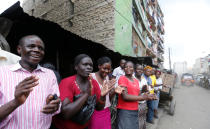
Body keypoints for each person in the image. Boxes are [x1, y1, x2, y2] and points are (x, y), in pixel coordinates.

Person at [0, 35, 61, 129]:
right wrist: (15, 102)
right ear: (19, 49)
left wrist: (55, 106)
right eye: (31, 46)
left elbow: (56, 103)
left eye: (40, 48)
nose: (37, 50)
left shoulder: (49, 74)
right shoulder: (2, 73)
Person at [53, 54, 113, 129]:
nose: (88, 67)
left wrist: (103, 96)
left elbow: (99, 108)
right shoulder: (67, 82)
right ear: (76, 67)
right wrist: (87, 94)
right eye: (85, 64)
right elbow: (66, 113)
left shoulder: (93, 83)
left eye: (91, 65)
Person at [116, 61, 153, 129]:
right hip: (125, 111)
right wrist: (143, 97)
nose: (128, 68)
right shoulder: (122, 78)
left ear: (133, 69)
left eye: (130, 67)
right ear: (124, 69)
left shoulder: (135, 81)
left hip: (135, 109)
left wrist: (143, 91)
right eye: (126, 67)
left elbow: (136, 94)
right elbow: (125, 96)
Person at [88, 56, 116, 129]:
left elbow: (107, 98)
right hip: (94, 112)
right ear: (99, 66)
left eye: (109, 69)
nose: (106, 71)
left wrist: (114, 92)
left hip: (106, 110)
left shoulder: (106, 77)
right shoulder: (91, 77)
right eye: (104, 68)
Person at [135, 64, 148, 129]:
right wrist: (142, 91)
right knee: (137, 120)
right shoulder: (133, 80)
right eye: (138, 69)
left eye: (141, 70)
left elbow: (146, 90)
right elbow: (132, 94)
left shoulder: (144, 79)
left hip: (143, 102)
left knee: (143, 117)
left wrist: (147, 92)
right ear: (135, 70)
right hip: (136, 103)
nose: (140, 71)